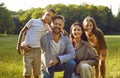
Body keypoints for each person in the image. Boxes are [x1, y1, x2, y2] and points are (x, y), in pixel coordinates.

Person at [16, 8, 56, 78]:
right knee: (27, 72)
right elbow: (22, 31)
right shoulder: (33, 21)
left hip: (38, 51)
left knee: (36, 72)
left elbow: (53, 34)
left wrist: (63, 32)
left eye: (51, 17)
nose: (49, 18)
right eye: (48, 15)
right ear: (43, 14)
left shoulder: (47, 27)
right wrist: (19, 45)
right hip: (27, 49)